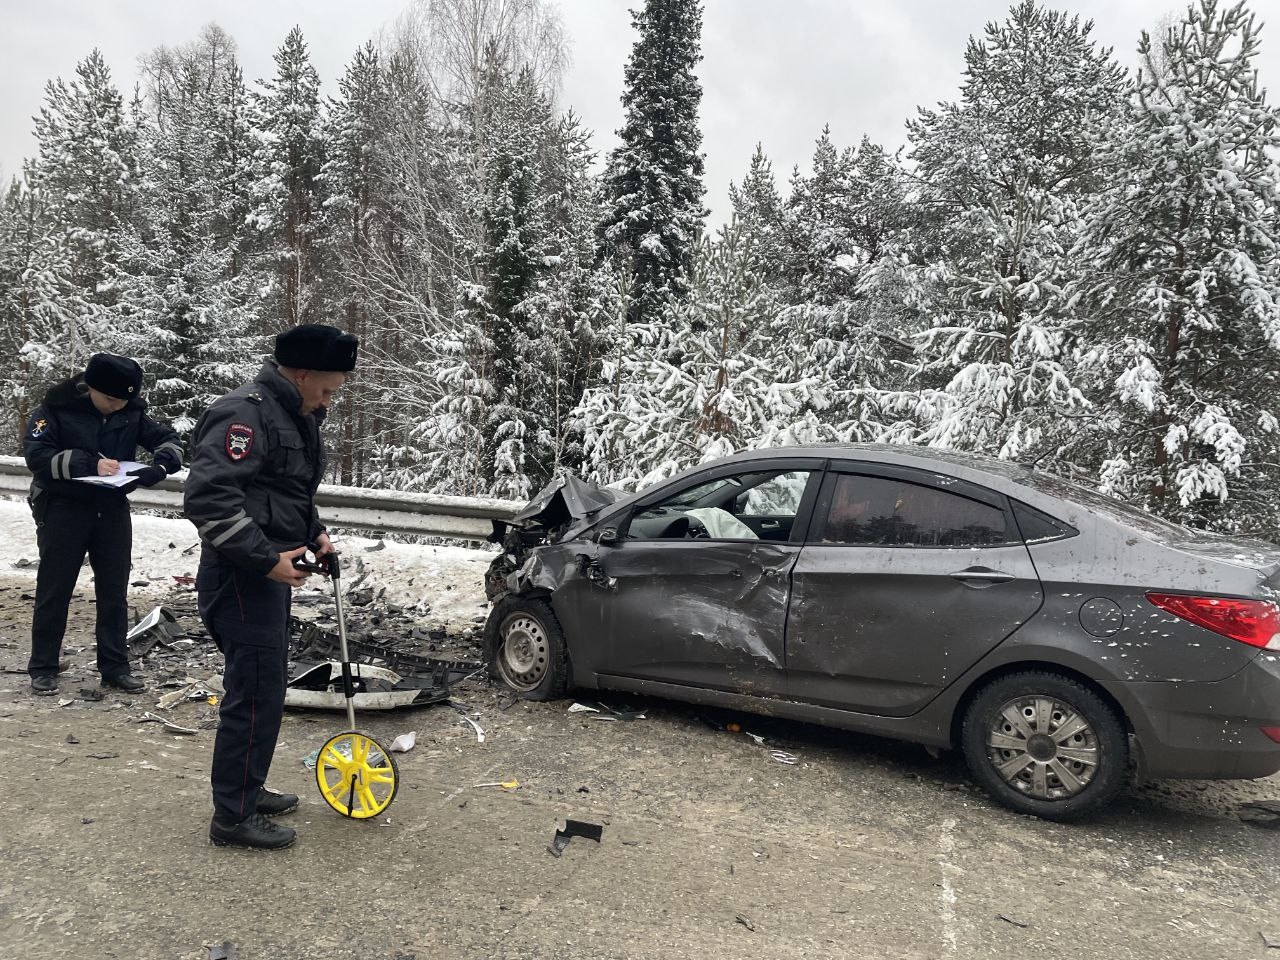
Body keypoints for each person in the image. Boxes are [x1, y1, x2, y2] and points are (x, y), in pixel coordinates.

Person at [184, 324, 357, 851]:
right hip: (240, 577)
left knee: (267, 689)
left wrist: (314, 532)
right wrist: (264, 561)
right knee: (253, 694)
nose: (331, 398)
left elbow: (284, 490)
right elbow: (208, 503)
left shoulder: (294, 414)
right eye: (327, 388)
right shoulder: (244, 414)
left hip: (267, 575)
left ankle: (247, 789)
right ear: (301, 373)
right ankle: (231, 816)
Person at [23, 354, 183, 696]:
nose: (117, 405)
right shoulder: (55, 408)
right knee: (55, 590)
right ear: (90, 388)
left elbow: (167, 439)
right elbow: (36, 456)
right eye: (110, 398)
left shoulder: (130, 410)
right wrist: (88, 464)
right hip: (63, 508)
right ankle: (43, 667)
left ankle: (114, 667)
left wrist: (162, 465)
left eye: (123, 399)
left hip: (111, 508)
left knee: (114, 592)